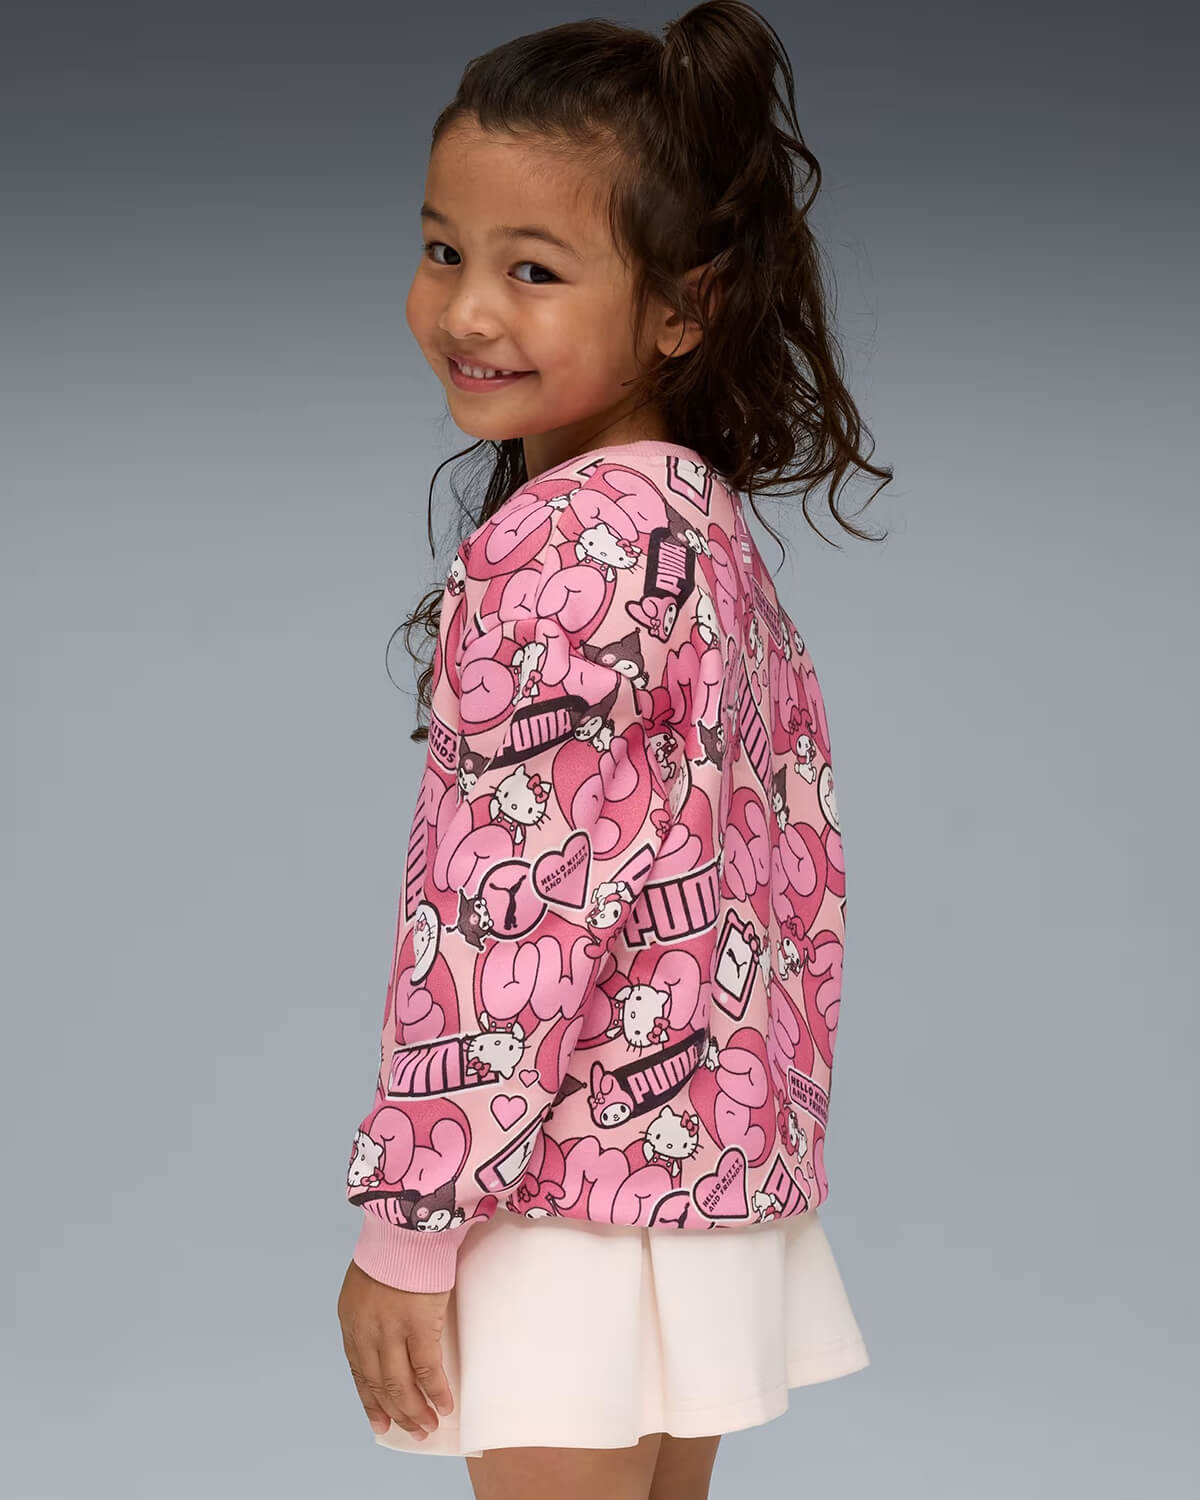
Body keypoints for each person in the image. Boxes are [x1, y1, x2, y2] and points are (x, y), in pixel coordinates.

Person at [336, 3, 893, 1494]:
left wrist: (409, 1227)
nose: (467, 309)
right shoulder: (700, 528)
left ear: (682, 309)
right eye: (444, 248)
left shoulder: (566, 547)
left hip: (560, 1187)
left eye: (533, 269)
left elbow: (501, 910)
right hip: (700, 1174)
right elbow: (790, 879)